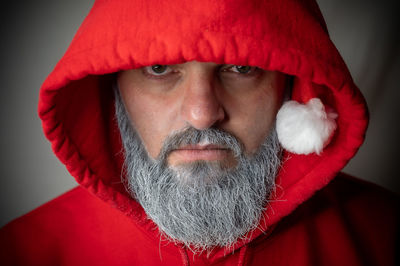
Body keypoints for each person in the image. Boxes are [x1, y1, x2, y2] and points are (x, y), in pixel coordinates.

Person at [0, 0, 397, 265]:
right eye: (159, 69)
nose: (203, 114)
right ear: (111, 89)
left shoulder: (382, 236)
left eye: (241, 68)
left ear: (294, 88)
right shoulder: (23, 252)